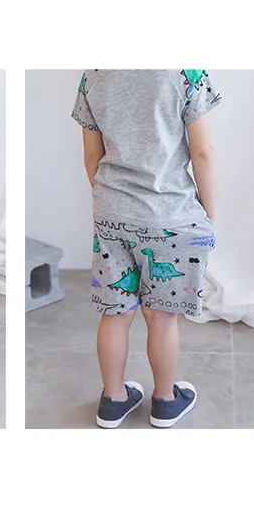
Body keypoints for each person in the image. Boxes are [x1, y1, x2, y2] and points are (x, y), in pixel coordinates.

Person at [74, 69, 220, 425]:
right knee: (162, 317)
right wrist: (210, 214)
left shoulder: (94, 74)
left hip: (112, 213)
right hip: (169, 214)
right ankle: (165, 401)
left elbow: (91, 156)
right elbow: (202, 152)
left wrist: (114, 204)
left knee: (115, 312)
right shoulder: (186, 72)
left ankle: (113, 400)